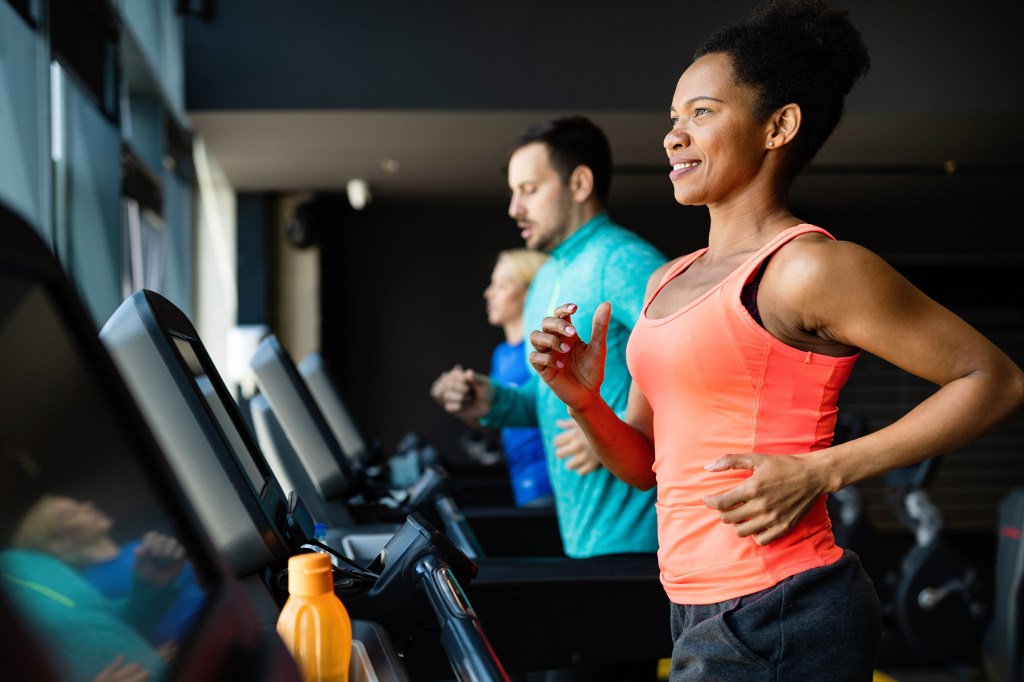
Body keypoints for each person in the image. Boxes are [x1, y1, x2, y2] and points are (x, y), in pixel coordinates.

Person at [525, 1, 1024, 680]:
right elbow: (646, 466)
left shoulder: (807, 268)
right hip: (693, 603)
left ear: (779, 126)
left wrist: (825, 469)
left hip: (783, 605)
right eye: (674, 118)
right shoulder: (665, 281)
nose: (674, 136)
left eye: (701, 112)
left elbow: (994, 380)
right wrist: (585, 402)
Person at [431, 115, 667, 559]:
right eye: (513, 192)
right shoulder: (547, 276)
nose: (514, 208)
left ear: (579, 183)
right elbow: (548, 406)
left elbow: (688, 355)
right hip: (583, 540)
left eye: (529, 190)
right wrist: (490, 400)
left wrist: (610, 428)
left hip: (642, 543)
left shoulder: (622, 259)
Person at [11, 494, 205, 649]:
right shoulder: (89, 591)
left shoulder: (138, 548)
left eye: (79, 504)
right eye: (72, 513)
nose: (88, 505)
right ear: (60, 543)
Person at [478, 248, 554, 507]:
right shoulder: (501, 354)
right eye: (492, 284)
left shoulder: (543, 350)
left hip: (549, 483)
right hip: (520, 481)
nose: (489, 293)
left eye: (502, 285)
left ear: (532, 291)